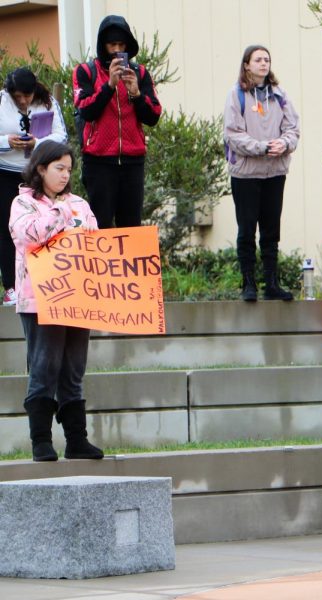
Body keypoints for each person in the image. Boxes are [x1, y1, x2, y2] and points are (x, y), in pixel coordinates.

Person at [9, 141, 103, 462]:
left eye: (68, 169)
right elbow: (31, 237)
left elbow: (95, 241)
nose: (65, 176)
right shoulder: (23, 204)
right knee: (44, 367)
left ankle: (77, 440)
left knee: (74, 369)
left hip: (77, 296)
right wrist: (61, 213)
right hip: (39, 300)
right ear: (41, 169)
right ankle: (41, 441)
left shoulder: (81, 203)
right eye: (58, 168)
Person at [223, 44, 300, 302]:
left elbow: (293, 128)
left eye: (267, 59)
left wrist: (284, 143)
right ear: (246, 65)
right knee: (247, 231)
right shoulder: (237, 95)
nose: (263, 64)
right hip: (246, 174)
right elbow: (232, 134)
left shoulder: (279, 94)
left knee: (271, 231)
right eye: (258, 60)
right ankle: (248, 283)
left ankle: (272, 283)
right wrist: (262, 147)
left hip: (274, 173)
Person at [73, 14, 162, 229]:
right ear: (103, 45)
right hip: (99, 162)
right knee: (100, 226)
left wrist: (136, 94)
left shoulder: (140, 73)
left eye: (121, 44)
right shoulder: (86, 71)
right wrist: (109, 86)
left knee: (131, 227)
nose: (116, 50)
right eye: (112, 44)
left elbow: (153, 116)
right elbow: (86, 110)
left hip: (133, 162)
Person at [0, 67, 67, 307]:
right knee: (8, 230)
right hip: (6, 172)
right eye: (17, 96)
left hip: (38, 174)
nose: (22, 100)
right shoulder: (1, 101)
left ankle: (46, 283)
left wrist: (38, 142)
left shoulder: (48, 103)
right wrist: (7, 142)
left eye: (26, 96)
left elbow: (61, 136)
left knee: (45, 228)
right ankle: (11, 286)